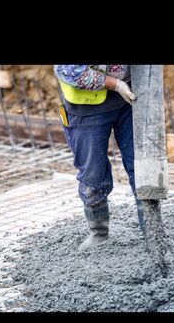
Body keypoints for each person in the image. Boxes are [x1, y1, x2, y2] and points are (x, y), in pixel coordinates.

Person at [54, 65, 146, 250]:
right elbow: (70, 70)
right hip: (86, 107)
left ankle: (152, 229)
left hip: (130, 98)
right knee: (93, 173)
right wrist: (117, 85)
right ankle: (99, 232)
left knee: (143, 166)